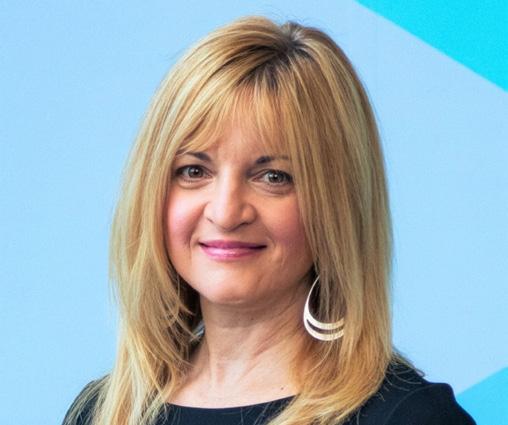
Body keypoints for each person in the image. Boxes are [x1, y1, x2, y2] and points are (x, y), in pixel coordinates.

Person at [63, 15, 476, 425]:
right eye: (194, 171)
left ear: (337, 203)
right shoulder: (102, 411)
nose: (226, 212)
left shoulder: (410, 418)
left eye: (273, 177)